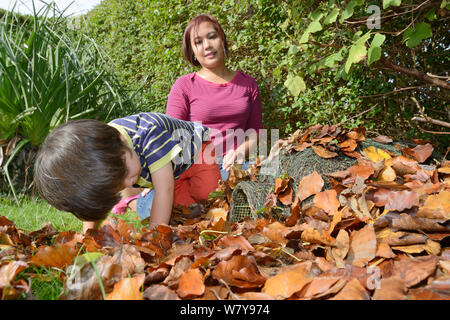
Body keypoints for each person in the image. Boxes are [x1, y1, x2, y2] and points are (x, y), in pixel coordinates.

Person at [34, 112, 220, 233]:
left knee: (206, 194)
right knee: (185, 210)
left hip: (197, 154)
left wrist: (155, 237)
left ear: (122, 140)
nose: (130, 184)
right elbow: (97, 201)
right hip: (170, 171)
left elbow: (165, 189)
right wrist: (88, 237)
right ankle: (140, 200)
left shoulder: (148, 134)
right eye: (119, 185)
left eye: (126, 176)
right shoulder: (108, 156)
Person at [166, 14, 263, 180]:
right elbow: (170, 135)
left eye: (212, 37)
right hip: (196, 168)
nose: (207, 45)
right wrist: (162, 173)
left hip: (236, 165)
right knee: (153, 201)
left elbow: (255, 132)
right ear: (193, 53)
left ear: (222, 41)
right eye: (198, 42)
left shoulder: (248, 84)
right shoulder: (184, 86)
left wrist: (239, 151)